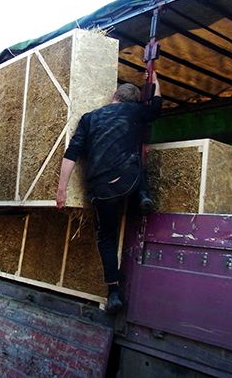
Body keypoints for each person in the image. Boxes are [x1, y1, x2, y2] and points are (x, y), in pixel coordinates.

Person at [56, 73, 161, 314]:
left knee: (106, 238)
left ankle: (113, 293)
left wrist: (62, 190)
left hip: (101, 189)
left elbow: (71, 154)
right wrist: (155, 78)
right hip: (128, 179)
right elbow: (156, 105)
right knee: (137, 154)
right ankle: (142, 195)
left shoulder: (90, 118)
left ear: (113, 96)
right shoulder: (136, 112)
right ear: (132, 101)